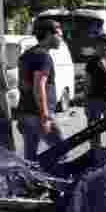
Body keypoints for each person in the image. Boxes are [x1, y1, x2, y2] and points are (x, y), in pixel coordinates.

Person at [17, 17, 64, 161]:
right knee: (62, 151)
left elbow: (22, 85)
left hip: (26, 113)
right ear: (49, 35)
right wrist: (45, 117)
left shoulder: (27, 55)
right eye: (59, 35)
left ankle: (30, 176)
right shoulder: (43, 56)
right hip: (38, 115)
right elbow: (39, 86)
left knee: (30, 159)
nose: (61, 38)